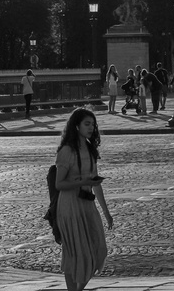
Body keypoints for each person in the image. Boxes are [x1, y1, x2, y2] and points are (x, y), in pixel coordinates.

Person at [55, 107, 113, 291]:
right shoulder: (66, 150)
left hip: (87, 204)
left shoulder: (90, 148)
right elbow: (59, 184)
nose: (91, 128)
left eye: (93, 125)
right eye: (87, 124)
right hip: (70, 205)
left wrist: (106, 211)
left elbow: (95, 183)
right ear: (76, 126)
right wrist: (82, 181)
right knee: (74, 253)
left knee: (99, 250)